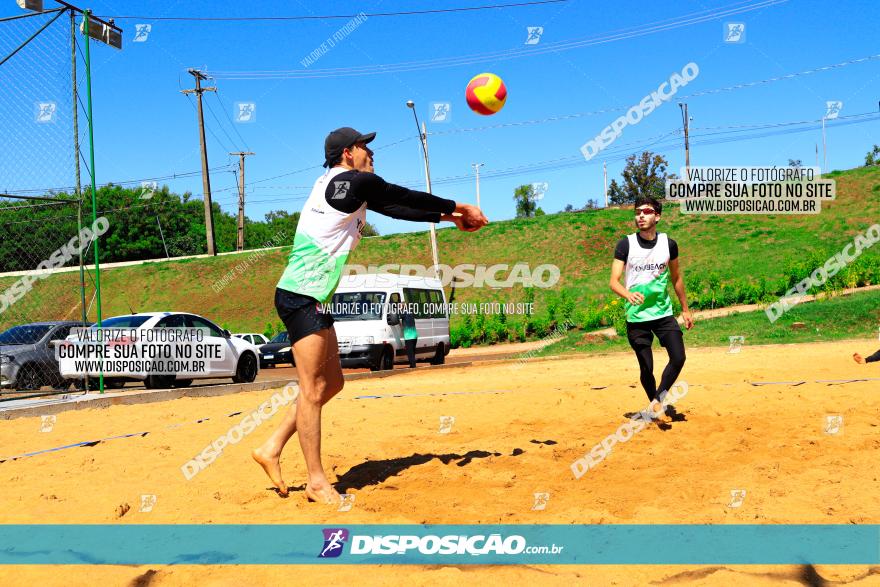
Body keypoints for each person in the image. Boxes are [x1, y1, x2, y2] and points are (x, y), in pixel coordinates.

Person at [253, 127, 488, 503]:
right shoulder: (347, 182)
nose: (372, 152)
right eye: (365, 146)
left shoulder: (349, 189)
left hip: (312, 296)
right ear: (348, 153)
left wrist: (449, 219)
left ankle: (271, 448)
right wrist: (458, 204)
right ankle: (316, 482)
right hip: (300, 295)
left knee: (332, 384)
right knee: (312, 390)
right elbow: (399, 194)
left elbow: (397, 208)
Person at [609, 196, 693, 419]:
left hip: (663, 313)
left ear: (657, 216)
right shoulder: (626, 244)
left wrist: (685, 309)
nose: (641, 216)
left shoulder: (669, 244)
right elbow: (614, 281)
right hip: (636, 317)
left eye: (646, 212)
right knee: (647, 367)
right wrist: (628, 294)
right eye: (638, 212)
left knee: (679, 357)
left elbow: (676, 278)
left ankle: (658, 399)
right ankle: (654, 404)